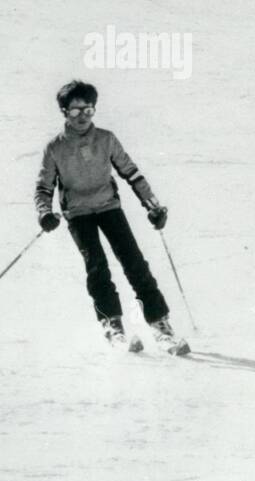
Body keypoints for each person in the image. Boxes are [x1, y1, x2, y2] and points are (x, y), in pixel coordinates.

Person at [35, 80, 188, 355]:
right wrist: (45, 213)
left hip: (108, 208)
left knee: (135, 264)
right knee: (97, 268)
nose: (82, 117)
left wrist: (153, 206)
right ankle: (113, 326)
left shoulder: (106, 139)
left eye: (88, 110)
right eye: (75, 111)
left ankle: (161, 327)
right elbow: (44, 187)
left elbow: (131, 173)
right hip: (78, 214)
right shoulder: (55, 148)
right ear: (64, 112)